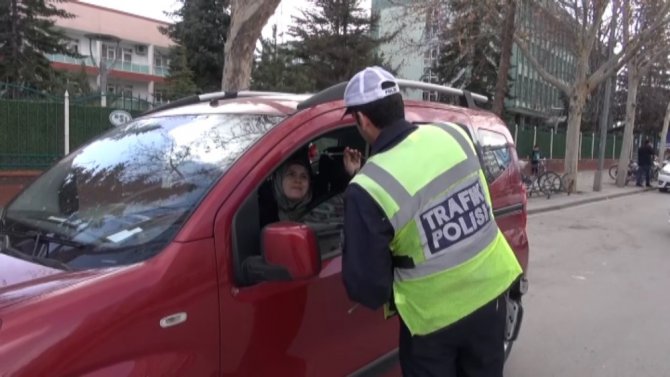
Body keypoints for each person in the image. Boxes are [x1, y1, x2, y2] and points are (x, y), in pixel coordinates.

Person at [340, 66, 523, 377]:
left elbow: (368, 288)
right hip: (491, 296)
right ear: (399, 104)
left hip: (433, 322)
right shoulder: (453, 134)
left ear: (362, 120)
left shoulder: (367, 188)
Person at [259, 156, 313, 228]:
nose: (298, 180)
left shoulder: (320, 211)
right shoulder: (261, 214)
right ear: (279, 179)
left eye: (303, 176)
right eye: (291, 174)